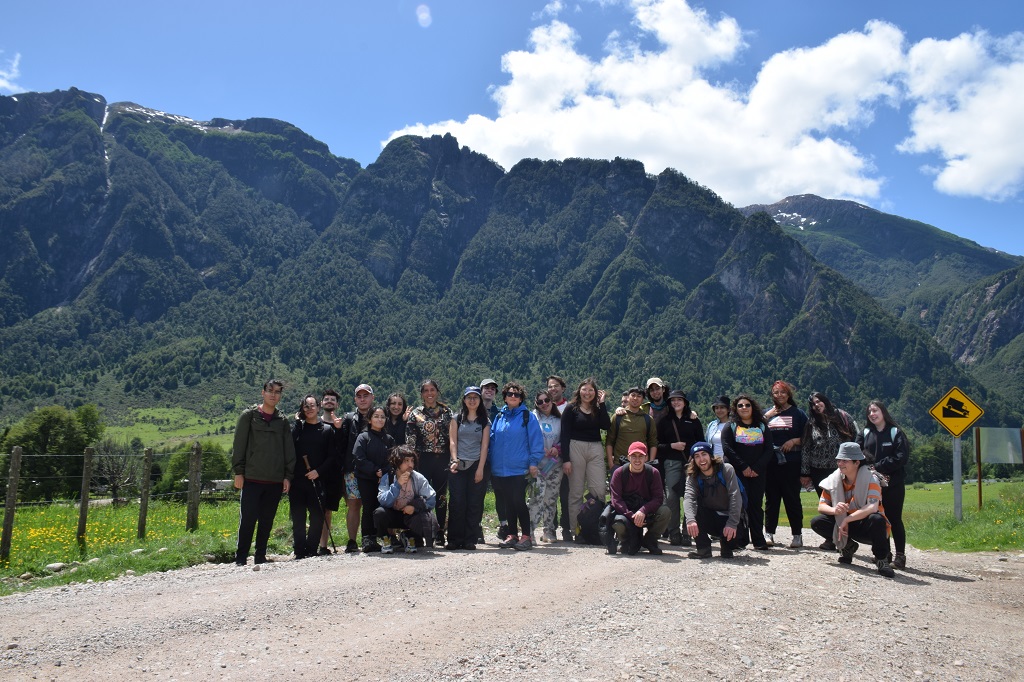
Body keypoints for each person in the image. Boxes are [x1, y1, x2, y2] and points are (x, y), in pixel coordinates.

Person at [231, 380, 295, 566]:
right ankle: (241, 557)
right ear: (263, 393)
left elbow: (288, 450)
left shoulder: (282, 421)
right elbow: (239, 445)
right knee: (248, 520)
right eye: (270, 391)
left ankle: (260, 555)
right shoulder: (249, 416)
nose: (273, 395)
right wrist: (238, 472)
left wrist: (287, 476)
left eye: (277, 392)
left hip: (274, 480)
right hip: (251, 478)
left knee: (267, 521)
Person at [809, 442, 895, 578]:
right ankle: (848, 546)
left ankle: (881, 559)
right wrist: (834, 510)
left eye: (845, 460)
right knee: (817, 522)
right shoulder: (834, 479)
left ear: (857, 463)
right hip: (844, 524)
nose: (840, 463)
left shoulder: (872, 478)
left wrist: (848, 519)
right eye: (838, 460)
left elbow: (872, 507)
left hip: (864, 525)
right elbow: (821, 506)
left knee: (877, 519)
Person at [490, 381, 544, 550]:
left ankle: (526, 536)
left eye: (517, 394)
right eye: (510, 394)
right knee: (507, 502)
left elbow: (536, 441)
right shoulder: (499, 417)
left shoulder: (527, 416)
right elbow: (492, 440)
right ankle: (512, 535)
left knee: (518, 501)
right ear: (504, 397)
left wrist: (533, 462)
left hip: (520, 467)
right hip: (500, 468)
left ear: (521, 399)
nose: (513, 396)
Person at [857, 400, 910, 570]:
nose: (872, 414)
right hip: (872, 484)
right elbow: (856, 452)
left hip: (893, 484)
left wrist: (877, 466)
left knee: (894, 519)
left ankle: (900, 556)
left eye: (875, 410)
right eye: (869, 411)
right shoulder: (865, 433)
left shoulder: (895, 432)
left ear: (883, 412)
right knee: (879, 518)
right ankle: (885, 554)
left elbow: (901, 457)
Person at [561, 377, 611, 541]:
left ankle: (597, 529)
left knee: (598, 490)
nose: (587, 393)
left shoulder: (597, 409)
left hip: (595, 447)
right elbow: (565, 434)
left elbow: (606, 425)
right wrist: (566, 459)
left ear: (596, 393)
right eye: (584, 389)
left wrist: (602, 404)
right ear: (579, 391)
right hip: (575, 447)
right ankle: (578, 530)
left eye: (591, 390)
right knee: (575, 492)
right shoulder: (571, 409)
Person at [290, 394, 339, 559]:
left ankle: (311, 549)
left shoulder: (327, 430)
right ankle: (299, 550)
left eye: (312, 405)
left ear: (318, 407)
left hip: (318, 479)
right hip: (297, 480)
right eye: (306, 406)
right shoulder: (299, 429)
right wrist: (297, 422)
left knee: (317, 517)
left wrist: (318, 471)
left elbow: (332, 456)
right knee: (298, 516)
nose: (309, 409)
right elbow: (290, 444)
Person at [721, 394, 773, 549]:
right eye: (740, 405)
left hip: (758, 473)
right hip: (737, 472)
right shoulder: (730, 426)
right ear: (735, 409)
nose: (744, 408)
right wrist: (743, 467)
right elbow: (727, 448)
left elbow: (769, 449)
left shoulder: (762, 426)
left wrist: (756, 468)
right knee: (740, 505)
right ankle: (741, 539)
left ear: (753, 407)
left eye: (747, 405)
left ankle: (758, 540)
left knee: (756, 505)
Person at [405, 379, 453, 547]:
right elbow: (410, 440)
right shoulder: (415, 413)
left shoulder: (447, 412)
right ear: (422, 394)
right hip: (422, 461)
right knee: (421, 497)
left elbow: (452, 437)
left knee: (440, 497)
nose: (429, 393)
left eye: (432, 389)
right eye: (426, 390)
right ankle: (421, 533)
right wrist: (411, 462)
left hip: (442, 460)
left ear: (437, 391)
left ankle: (439, 532)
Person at [763, 380, 808, 549]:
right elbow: (755, 430)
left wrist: (794, 441)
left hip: (792, 463)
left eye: (782, 392)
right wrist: (767, 415)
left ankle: (797, 535)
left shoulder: (799, 414)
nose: (779, 395)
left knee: (792, 499)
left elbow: (809, 438)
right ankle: (769, 533)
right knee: (771, 499)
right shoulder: (768, 414)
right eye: (776, 392)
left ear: (788, 394)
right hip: (771, 463)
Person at [656, 389, 703, 546]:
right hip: (671, 463)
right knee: (672, 497)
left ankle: (687, 532)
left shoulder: (693, 420)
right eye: (673, 400)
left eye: (679, 400)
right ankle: (673, 531)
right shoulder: (664, 421)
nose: (676, 403)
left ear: (685, 402)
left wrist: (694, 455)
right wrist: (672, 446)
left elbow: (701, 442)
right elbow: (657, 445)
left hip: (691, 463)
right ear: (669, 403)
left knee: (690, 496)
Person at [606, 442, 670, 555]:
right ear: (628, 457)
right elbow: (616, 500)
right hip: (626, 512)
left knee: (665, 511)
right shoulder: (619, 473)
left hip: (646, 512)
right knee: (618, 524)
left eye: (640, 456)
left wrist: (643, 511)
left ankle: (650, 540)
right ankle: (625, 540)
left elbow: (658, 498)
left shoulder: (654, 473)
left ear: (646, 458)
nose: (637, 460)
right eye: (634, 456)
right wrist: (631, 516)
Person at [446, 386, 490, 550]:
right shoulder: (456, 418)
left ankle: (470, 539)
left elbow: (484, 446)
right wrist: (454, 459)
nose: (472, 400)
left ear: (480, 400)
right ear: (464, 400)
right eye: (469, 397)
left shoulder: (485, 421)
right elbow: (452, 441)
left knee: (474, 503)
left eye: (475, 397)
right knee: (457, 502)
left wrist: (480, 469)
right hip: (458, 465)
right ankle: (454, 539)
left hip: (477, 466)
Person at [683, 442, 744, 558]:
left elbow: (735, 496)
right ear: (693, 460)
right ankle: (703, 549)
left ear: (711, 455)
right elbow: (688, 498)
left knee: (733, 542)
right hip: (709, 516)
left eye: (704, 454)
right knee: (691, 510)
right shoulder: (693, 476)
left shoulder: (727, 469)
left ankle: (726, 546)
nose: (701, 459)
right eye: (697, 456)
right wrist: (690, 520)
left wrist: (732, 523)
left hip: (729, 518)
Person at [375, 445, 438, 554]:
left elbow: (431, 499)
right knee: (379, 513)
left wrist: (414, 507)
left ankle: (409, 536)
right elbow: (383, 501)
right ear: (397, 462)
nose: (410, 464)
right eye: (406, 461)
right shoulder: (388, 477)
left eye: (412, 461)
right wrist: (397, 485)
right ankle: (386, 539)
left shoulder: (418, 478)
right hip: (393, 514)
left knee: (428, 517)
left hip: (410, 515)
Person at [353, 406, 396, 552]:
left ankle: (383, 538)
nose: (380, 419)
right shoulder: (363, 437)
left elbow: (393, 459)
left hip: (384, 479)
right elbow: (358, 458)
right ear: (370, 419)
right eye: (376, 416)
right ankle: (367, 539)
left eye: (383, 416)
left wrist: (383, 472)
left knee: (383, 507)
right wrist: (374, 470)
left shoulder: (388, 439)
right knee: (368, 507)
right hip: (366, 478)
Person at [338, 383, 376, 552]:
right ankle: (352, 541)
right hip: (352, 470)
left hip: (373, 469)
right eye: (359, 396)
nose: (362, 399)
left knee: (373, 504)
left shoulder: (379, 416)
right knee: (354, 505)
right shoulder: (348, 419)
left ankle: (372, 538)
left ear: (372, 398)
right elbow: (342, 445)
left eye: (365, 396)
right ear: (355, 399)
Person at [800, 392, 857, 496]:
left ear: (825, 401)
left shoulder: (842, 416)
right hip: (818, 471)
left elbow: (857, 437)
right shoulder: (811, 424)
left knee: (845, 500)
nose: (816, 405)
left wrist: (857, 461)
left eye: (818, 401)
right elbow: (806, 449)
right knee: (826, 503)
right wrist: (805, 473)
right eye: (813, 404)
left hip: (843, 468)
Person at [530, 388, 563, 543]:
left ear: (552, 401)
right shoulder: (532, 418)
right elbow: (527, 437)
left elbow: (566, 439)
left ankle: (548, 531)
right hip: (537, 465)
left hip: (555, 466)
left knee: (550, 498)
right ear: (536, 404)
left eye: (547, 400)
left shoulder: (560, 420)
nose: (544, 404)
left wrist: (557, 448)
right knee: (536, 497)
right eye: (540, 402)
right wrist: (537, 449)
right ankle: (529, 531)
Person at [546, 375, 573, 542]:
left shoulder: (570, 408)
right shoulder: (543, 408)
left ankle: (567, 527)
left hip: (566, 457)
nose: (553, 389)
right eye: (550, 386)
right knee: (550, 494)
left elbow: (570, 434)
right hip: (548, 460)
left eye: (556, 386)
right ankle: (551, 527)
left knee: (566, 494)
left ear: (563, 388)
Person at [317, 388, 343, 555]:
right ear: (321, 403)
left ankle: (322, 545)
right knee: (315, 509)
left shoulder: (341, 424)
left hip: (334, 474)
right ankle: (311, 542)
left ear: (337, 404)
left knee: (327, 511)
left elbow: (342, 448)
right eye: (326, 399)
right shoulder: (314, 423)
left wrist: (339, 429)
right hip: (316, 473)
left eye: (332, 400)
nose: (329, 402)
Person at [606, 386, 658, 469]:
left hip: (641, 465)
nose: (635, 398)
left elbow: (653, 442)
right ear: (628, 397)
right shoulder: (618, 417)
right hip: (619, 464)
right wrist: (611, 463)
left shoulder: (648, 419)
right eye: (633, 395)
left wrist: (650, 464)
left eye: (639, 396)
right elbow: (609, 441)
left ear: (643, 399)